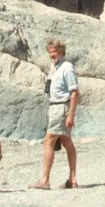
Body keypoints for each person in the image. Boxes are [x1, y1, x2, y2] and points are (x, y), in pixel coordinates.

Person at [29, 38, 79, 190]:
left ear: (62, 52)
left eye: (55, 52)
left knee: (48, 141)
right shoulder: (55, 67)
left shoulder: (67, 67)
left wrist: (70, 115)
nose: (52, 54)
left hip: (61, 108)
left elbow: (75, 92)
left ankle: (45, 181)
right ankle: (72, 180)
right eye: (50, 52)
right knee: (66, 142)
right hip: (54, 107)